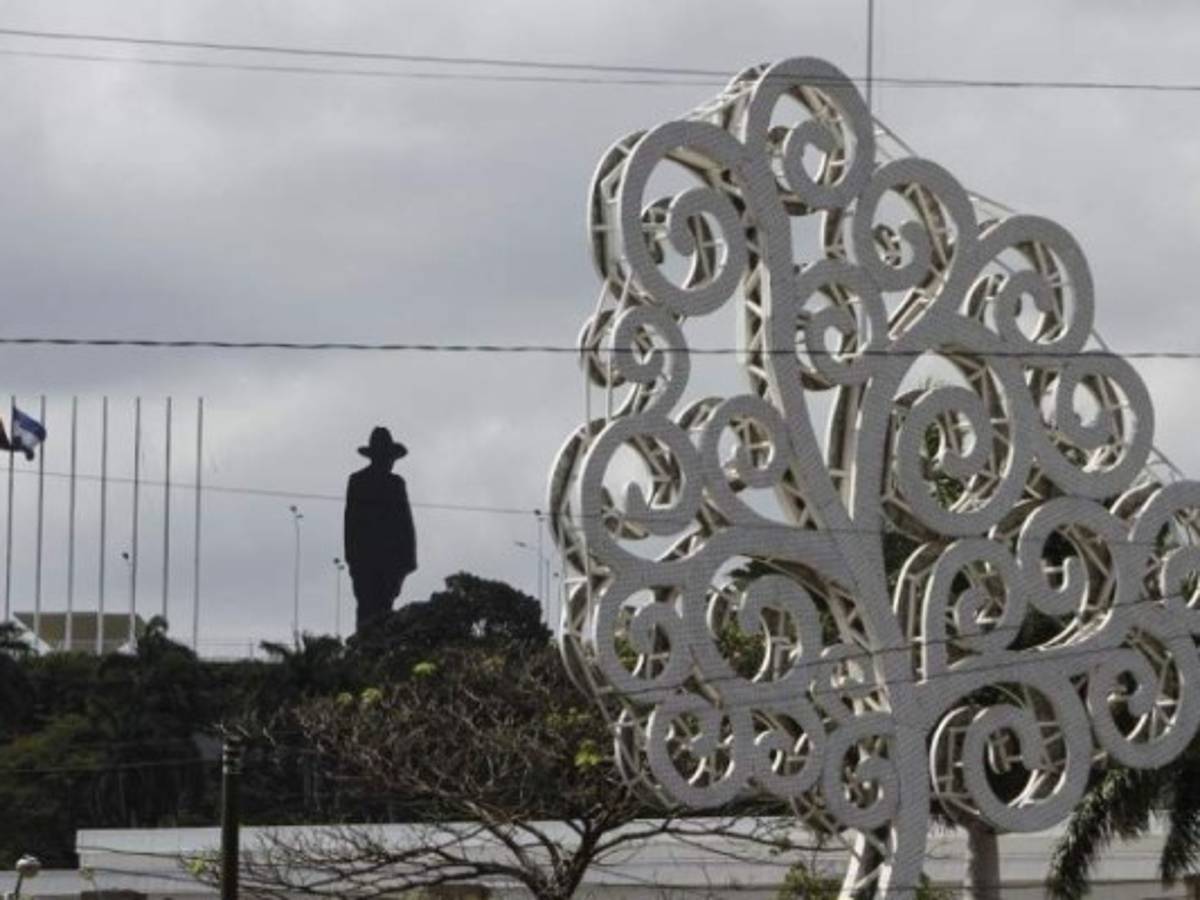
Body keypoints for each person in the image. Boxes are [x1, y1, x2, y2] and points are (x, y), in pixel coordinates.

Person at [344, 426, 417, 633]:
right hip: (367, 562)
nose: (389, 463)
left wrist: (404, 564)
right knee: (369, 612)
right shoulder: (358, 482)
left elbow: (405, 525)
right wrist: (353, 561)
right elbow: (351, 524)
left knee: (382, 612)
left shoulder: (395, 484)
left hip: (387, 565)